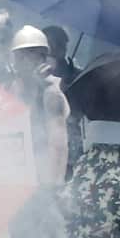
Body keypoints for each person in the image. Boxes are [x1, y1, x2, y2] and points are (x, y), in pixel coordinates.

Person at [0, 25, 84, 238]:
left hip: (40, 181)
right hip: (19, 177)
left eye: (32, 55)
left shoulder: (50, 94)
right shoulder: (15, 89)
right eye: (21, 56)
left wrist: (52, 185)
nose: (25, 62)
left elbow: (58, 143)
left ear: (42, 57)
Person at [42, 25, 85, 177]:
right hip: (43, 145)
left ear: (65, 46)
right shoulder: (38, 74)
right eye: (50, 44)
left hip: (71, 145)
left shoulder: (78, 76)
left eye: (58, 43)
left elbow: (82, 110)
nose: (54, 49)